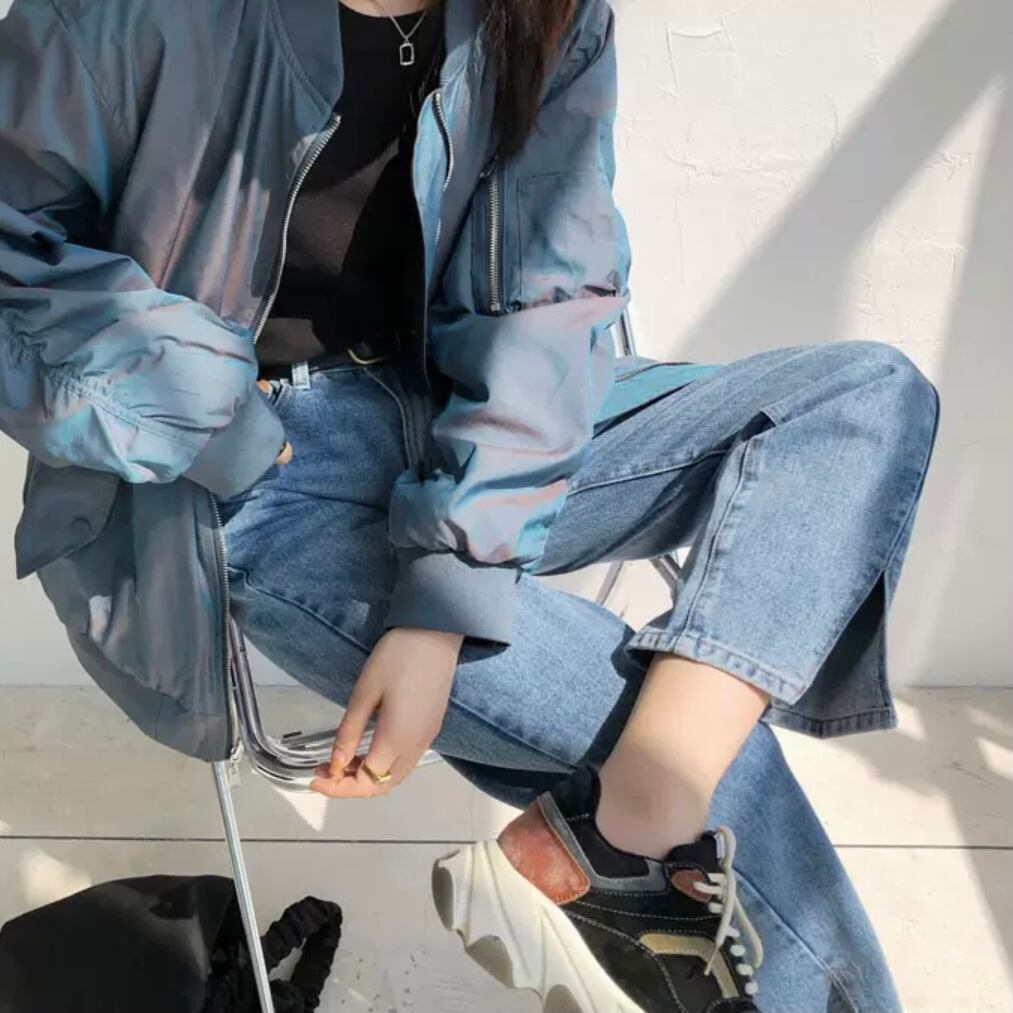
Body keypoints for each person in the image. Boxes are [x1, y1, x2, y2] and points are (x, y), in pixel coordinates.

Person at [0, 0, 939, 1009]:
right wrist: (225, 431)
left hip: (474, 416)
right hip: (257, 463)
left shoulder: (541, 16)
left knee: (860, 398)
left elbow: (546, 297)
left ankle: (625, 827)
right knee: (717, 755)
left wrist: (446, 595)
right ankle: (627, 844)